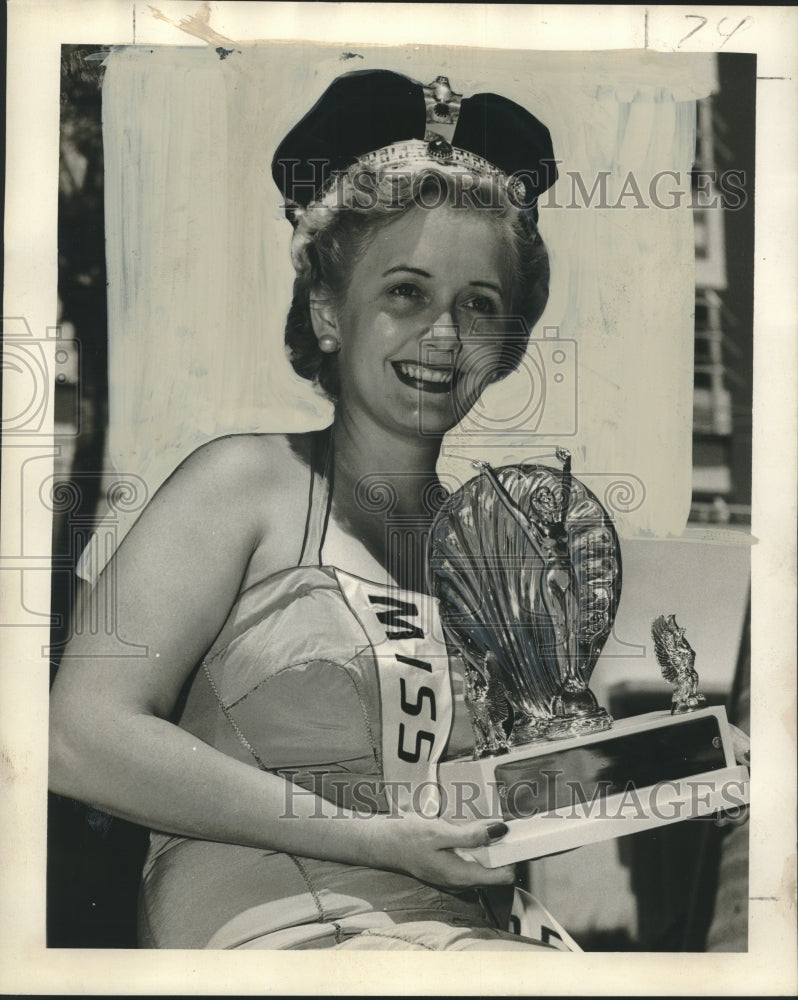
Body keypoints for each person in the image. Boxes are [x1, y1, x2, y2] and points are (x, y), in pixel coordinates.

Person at [48, 68, 747, 951]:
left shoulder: (492, 557)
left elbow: (493, 805)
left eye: (478, 305)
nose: (444, 337)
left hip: (461, 939)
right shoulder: (244, 484)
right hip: (271, 938)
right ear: (328, 310)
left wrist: (679, 765)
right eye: (406, 292)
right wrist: (375, 840)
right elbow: (78, 735)